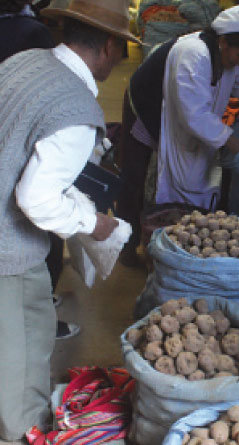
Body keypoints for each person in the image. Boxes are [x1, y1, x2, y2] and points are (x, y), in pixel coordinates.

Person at [0, 0, 139, 440]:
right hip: (8, 252)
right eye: (123, 50)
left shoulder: (26, 61)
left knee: (22, 334)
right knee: (20, 364)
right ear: (111, 47)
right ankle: (23, 432)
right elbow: (36, 198)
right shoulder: (76, 108)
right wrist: (94, 222)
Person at [116, 5, 239, 265]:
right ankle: (126, 244)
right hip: (148, 104)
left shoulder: (232, 54)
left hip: (180, 111)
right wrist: (235, 144)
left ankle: (173, 236)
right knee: (136, 173)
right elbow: (195, 115)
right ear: (223, 42)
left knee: (188, 164)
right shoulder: (193, 54)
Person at [0, 0, 81, 340]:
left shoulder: (26, 33)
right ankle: (41, 317)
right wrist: (91, 222)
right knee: (37, 238)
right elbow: (36, 198)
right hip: (24, 149)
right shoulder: (32, 34)